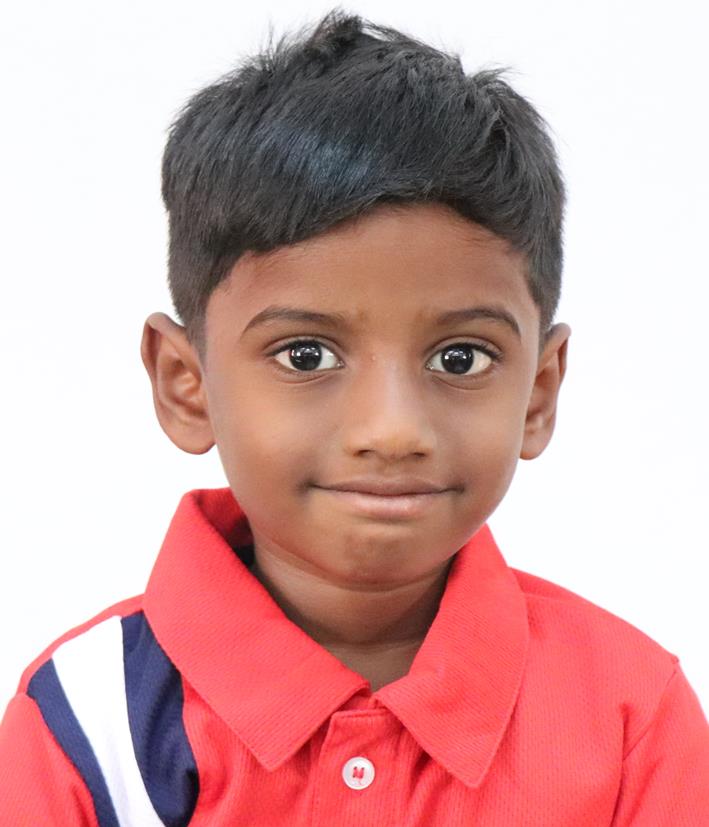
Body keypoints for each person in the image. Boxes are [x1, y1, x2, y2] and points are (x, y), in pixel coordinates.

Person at [1, 7, 708, 825]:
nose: (391, 430)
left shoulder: (629, 717)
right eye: (306, 355)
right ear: (185, 382)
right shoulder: (88, 723)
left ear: (539, 391)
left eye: (460, 358)